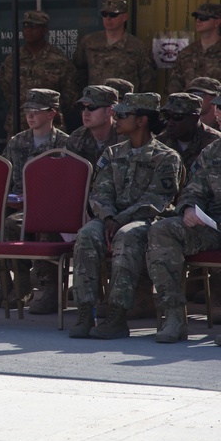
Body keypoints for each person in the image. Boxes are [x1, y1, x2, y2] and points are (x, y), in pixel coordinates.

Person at [68, 93, 181, 339]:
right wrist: (108, 217)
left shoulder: (166, 157)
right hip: (111, 219)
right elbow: (100, 193)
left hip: (145, 221)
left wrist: (120, 220)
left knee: (127, 237)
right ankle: (86, 311)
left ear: (142, 120)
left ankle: (117, 316)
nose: (116, 119)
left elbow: (156, 201)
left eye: (122, 115)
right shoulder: (112, 153)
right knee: (86, 235)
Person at [0, 89, 70, 314]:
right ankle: (8, 284)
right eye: (28, 110)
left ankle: (47, 288)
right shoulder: (18, 141)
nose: (31, 115)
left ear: (51, 114)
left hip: (51, 208)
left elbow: (69, 185)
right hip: (20, 206)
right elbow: (4, 177)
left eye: (37, 111)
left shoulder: (65, 144)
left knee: (18, 226)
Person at [147, 125, 221, 343]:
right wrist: (189, 208)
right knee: (162, 230)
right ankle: (174, 316)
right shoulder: (213, 151)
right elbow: (193, 190)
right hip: (213, 225)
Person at [0, 10, 75, 137]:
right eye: (26, 26)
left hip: (50, 125)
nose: (28, 30)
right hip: (19, 124)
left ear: (44, 30)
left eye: (34, 26)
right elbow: (6, 89)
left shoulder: (58, 60)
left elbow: (69, 95)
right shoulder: (13, 60)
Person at [73, 0, 155, 92]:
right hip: (96, 104)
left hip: (125, 104)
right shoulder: (89, 42)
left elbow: (147, 80)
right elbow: (78, 72)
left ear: (125, 17)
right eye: (104, 14)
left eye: (113, 15)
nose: (108, 18)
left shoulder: (137, 47)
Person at [156, 92, 221, 173]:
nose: (170, 123)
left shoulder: (215, 143)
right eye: (167, 116)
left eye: (177, 117)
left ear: (195, 119)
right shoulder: (160, 142)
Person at [168, 3, 221, 94]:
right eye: (196, 17)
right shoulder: (187, 52)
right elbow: (175, 84)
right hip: (189, 106)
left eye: (203, 18)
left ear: (217, 22)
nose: (198, 21)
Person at [65, 85, 120, 169]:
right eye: (83, 107)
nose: (85, 112)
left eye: (92, 107)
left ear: (110, 110)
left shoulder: (125, 139)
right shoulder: (76, 138)